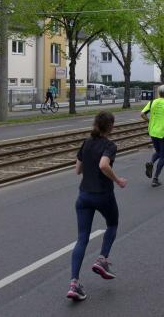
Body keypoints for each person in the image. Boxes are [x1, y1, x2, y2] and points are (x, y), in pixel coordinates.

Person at [67, 111, 127, 302]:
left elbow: (77, 170)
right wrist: (117, 180)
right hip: (102, 195)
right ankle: (102, 259)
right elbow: (103, 165)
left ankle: (74, 284)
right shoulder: (109, 145)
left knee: (82, 239)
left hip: (83, 196)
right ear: (110, 127)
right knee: (112, 224)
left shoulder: (86, 143)